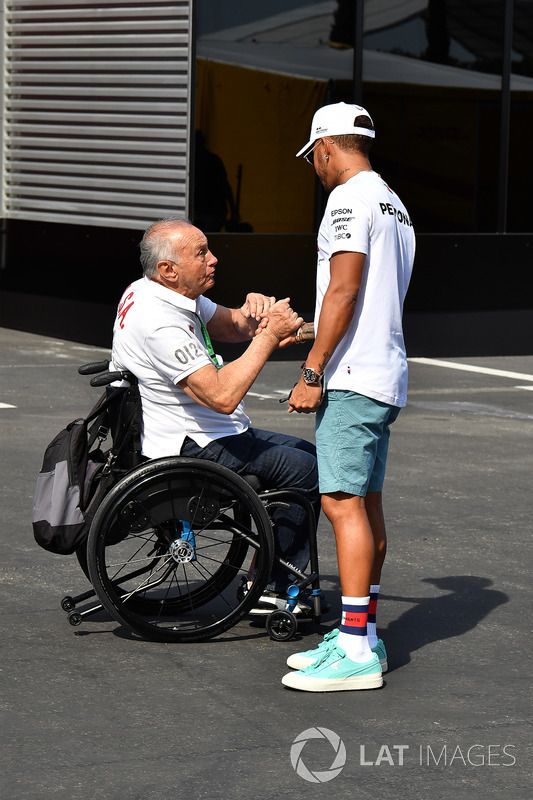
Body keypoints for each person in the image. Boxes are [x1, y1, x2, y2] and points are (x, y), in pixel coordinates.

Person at [111, 217, 321, 610]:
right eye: (201, 253)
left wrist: (256, 312)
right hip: (193, 443)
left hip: (203, 431)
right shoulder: (159, 323)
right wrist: (269, 336)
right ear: (168, 270)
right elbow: (222, 396)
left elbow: (232, 325)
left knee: (305, 454)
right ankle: (274, 589)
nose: (213, 259)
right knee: (306, 471)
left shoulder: (156, 291)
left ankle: (268, 569)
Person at [281, 102, 416, 692]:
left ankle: (356, 649)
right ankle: (361, 633)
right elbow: (368, 299)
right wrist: (311, 331)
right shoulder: (393, 203)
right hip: (383, 373)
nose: (314, 168)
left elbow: (344, 289)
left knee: (340, 505)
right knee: (365, 504)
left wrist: (312, 372)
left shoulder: (347, 199)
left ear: (326, 148)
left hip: (352, 377)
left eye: (312, 158)